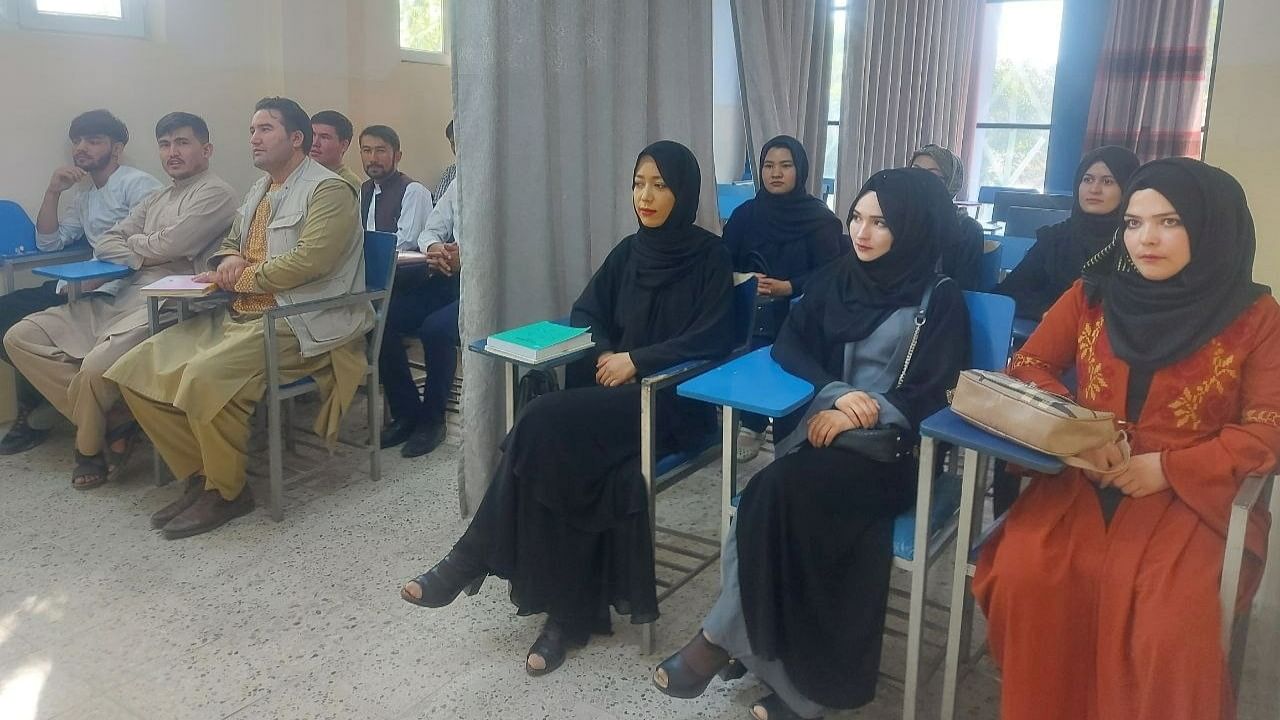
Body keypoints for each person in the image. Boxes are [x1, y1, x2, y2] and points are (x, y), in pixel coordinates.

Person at [399, 141, 734, 676]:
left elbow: (714, 338)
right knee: (577, 467)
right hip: (611, 402)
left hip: (670, 403)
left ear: (685, 191)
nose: (644, 196)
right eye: (637, 183)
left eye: (659, 185)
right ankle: (567, 616)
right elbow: (587, 311)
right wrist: (604, 351)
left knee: (540, 421)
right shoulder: (629, 251)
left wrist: (638, 361)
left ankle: (471, 556)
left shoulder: (710, 258)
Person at [652, 168, 969, 720]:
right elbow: (790, 346)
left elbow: (936, 390)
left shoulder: (939, 299)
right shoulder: (838, 278)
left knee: (770, 497)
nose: (862, 233)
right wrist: (836, 394)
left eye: (880, 222)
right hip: (826, 432)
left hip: (890, 455)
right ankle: (760, 655)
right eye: (856, 218)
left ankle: (729, 646)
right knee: (762, 503)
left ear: (913, 228)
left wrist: (864, 414)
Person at [974, 158, 1279, 720]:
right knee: (1028, 580)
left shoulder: (1256, 318)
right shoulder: (1093, 294)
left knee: (1169, 621)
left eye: (1168, 222)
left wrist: (1167, 468)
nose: (1146, 239)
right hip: (1084, 473)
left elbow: (1269, 426)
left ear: (1211, 227)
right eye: (1134, 223)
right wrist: (1080, 432)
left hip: (1189, 493)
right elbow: (1030, 365)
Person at [104, 97, 372, 539]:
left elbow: (311, 262)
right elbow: (230, 240)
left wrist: (241, 276)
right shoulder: (258, 189)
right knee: (134, 369)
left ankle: (229, 493)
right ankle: (203, 476)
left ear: (296, 138)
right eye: (252, 130)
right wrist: (228, 258)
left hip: (299, 321)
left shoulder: (329, 191)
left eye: (265, 129)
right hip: (241, 312)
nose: (254, 138)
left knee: (205, 378)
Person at [5, 112, 236, 490]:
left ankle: (88, 448)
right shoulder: (160, 195)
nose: (172, 152)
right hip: (124, 291)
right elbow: (108, 241)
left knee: (96, 369)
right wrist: (146, 249)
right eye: (165, 144)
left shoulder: (216, 193)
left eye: (182, 142)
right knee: (20, 336)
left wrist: (138, 247)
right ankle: (114, 418)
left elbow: (174, 246)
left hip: (168, 301)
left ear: (206, 149)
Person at [0, 109, 163, 456]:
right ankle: (107, 411)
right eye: (77, 141)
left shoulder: (139, 184)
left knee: (20, 325)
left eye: (93, 140)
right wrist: (53, 191)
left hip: (116, 289)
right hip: (78, 283)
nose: (81, 148)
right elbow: (49, 243)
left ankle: (47, 415)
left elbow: (157, 246)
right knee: (5, 317)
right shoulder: (84, 193)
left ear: (116, 148)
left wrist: (99, 277)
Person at [721, 135, 843, 462]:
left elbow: (833, 273)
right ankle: (753, 420)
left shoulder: (820, 219)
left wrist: (789, 287)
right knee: (751, 335)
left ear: (799, 170)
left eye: (785, 166)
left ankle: (792, 423)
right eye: (769, 165)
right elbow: (721, 262)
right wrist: (744, 280)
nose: (776, 173)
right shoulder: (745, 215)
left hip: (805, 310)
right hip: (754, 312)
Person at [996, 145, 1140, 320]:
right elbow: (1010, 291)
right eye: (1087, 180)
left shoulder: (1140, 243)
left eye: (1107, 181)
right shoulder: (1055, 239)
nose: (1094, 189)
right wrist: (1049, 312)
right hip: (1052, 336)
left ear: (1128, 188)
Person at [377, 173, 459, 453]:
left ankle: (433, 420)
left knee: (436, 329)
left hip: (490, 282)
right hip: (449, 275)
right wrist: (435, 248)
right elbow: (431, 230)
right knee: (379, 318)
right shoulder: (461, 181)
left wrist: (468, 255)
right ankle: (406, 412)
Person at [910, 143, 985, 290]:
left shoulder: (968, 230)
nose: (919, 181)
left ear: (951, 183)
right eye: (914, 172)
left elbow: (963, 289)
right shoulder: (892, 219)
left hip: (937, 306)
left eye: (932, 175)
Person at [358, 125, 433, 250]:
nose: (373, 158)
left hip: (403, 268)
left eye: (380, 151)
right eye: (367, 151)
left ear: (398, 156)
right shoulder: (365, 189)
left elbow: (407, 242)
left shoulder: (413, 191)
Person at [310, 110, 362, 190]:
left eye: (324, 137)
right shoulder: (299, 176)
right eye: (312, 135)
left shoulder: (346, 184)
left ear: (344, 145)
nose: (315, 143)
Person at [433, 119, 456, 202]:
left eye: (458, 142)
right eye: (453, 143)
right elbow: (438, 203)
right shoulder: (450, 173)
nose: (455, 148)